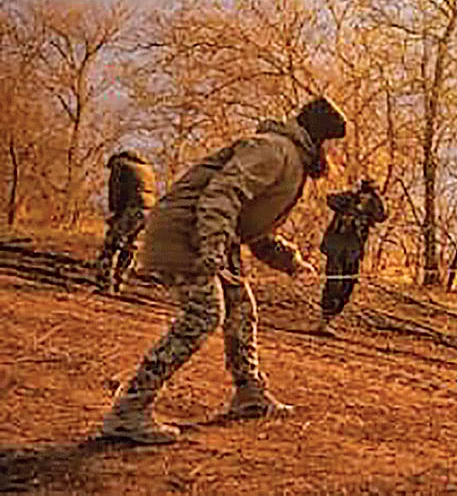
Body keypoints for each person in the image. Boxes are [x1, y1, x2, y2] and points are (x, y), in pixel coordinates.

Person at [98, 97, 346, 445]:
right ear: (319, 139)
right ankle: (129, 410)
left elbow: (256, 231)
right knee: (204, 314)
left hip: (207, 234)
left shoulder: (292, 161)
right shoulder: (274, 150)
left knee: (241, 307)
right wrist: (212, 246)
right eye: (333, 146)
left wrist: (291, 262)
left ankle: (249, 396)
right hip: (185, 233)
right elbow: (222, 194)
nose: (335, 156)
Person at [317, 178, 387, 336]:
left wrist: (376, 198)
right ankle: (324, 320)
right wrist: (352, 198)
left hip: (353, 253)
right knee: (334, 283)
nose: (365, 197)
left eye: (369, 194)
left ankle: (332, 317)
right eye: (365, 193)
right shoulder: (347, 200)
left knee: (347, 287)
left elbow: (382, 216)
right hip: (336, 248)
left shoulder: (371, 208)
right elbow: (330, 200)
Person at [94, 150, 158, 294]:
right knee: (130, 247)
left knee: (111, 246)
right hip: (149, 211)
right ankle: (119, 282)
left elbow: (116, 192)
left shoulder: (120, 165)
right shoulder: (147, 168)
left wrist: (115, 213)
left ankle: (104, 284)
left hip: (132, 209)